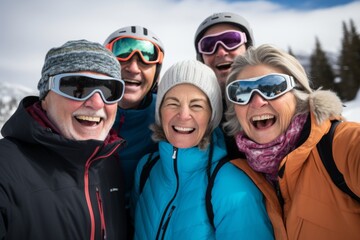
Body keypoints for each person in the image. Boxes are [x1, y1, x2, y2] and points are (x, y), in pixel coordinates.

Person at [224, 44, 360, 240]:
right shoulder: (247, 175)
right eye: (242, 92)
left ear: (297, 95)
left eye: (271, 87)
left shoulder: (340, 145)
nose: (257, 102)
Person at [131, 60, 274, 239]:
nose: (183, 115)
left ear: (212, 117)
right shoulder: (146, 168)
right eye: (172, 103)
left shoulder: (233, 185)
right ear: (159, 111)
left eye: (196, 106)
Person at [0, 39, 127, 239]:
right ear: (45, 97)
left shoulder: (109, 164)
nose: (96, 102)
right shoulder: (5, 167)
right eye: (77, 88)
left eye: (109, 90)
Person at [103, 26, 165, 204]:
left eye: (146, 60)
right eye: (123, 56)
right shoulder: (84, 112)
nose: (133, 68)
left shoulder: (166, 116)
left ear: (156, 74)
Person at [194, 12, 255, 159]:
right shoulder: (195, 112)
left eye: (231, 40)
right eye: (208, 45)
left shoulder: (275, 98)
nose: (221, 51)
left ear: (248, 48)